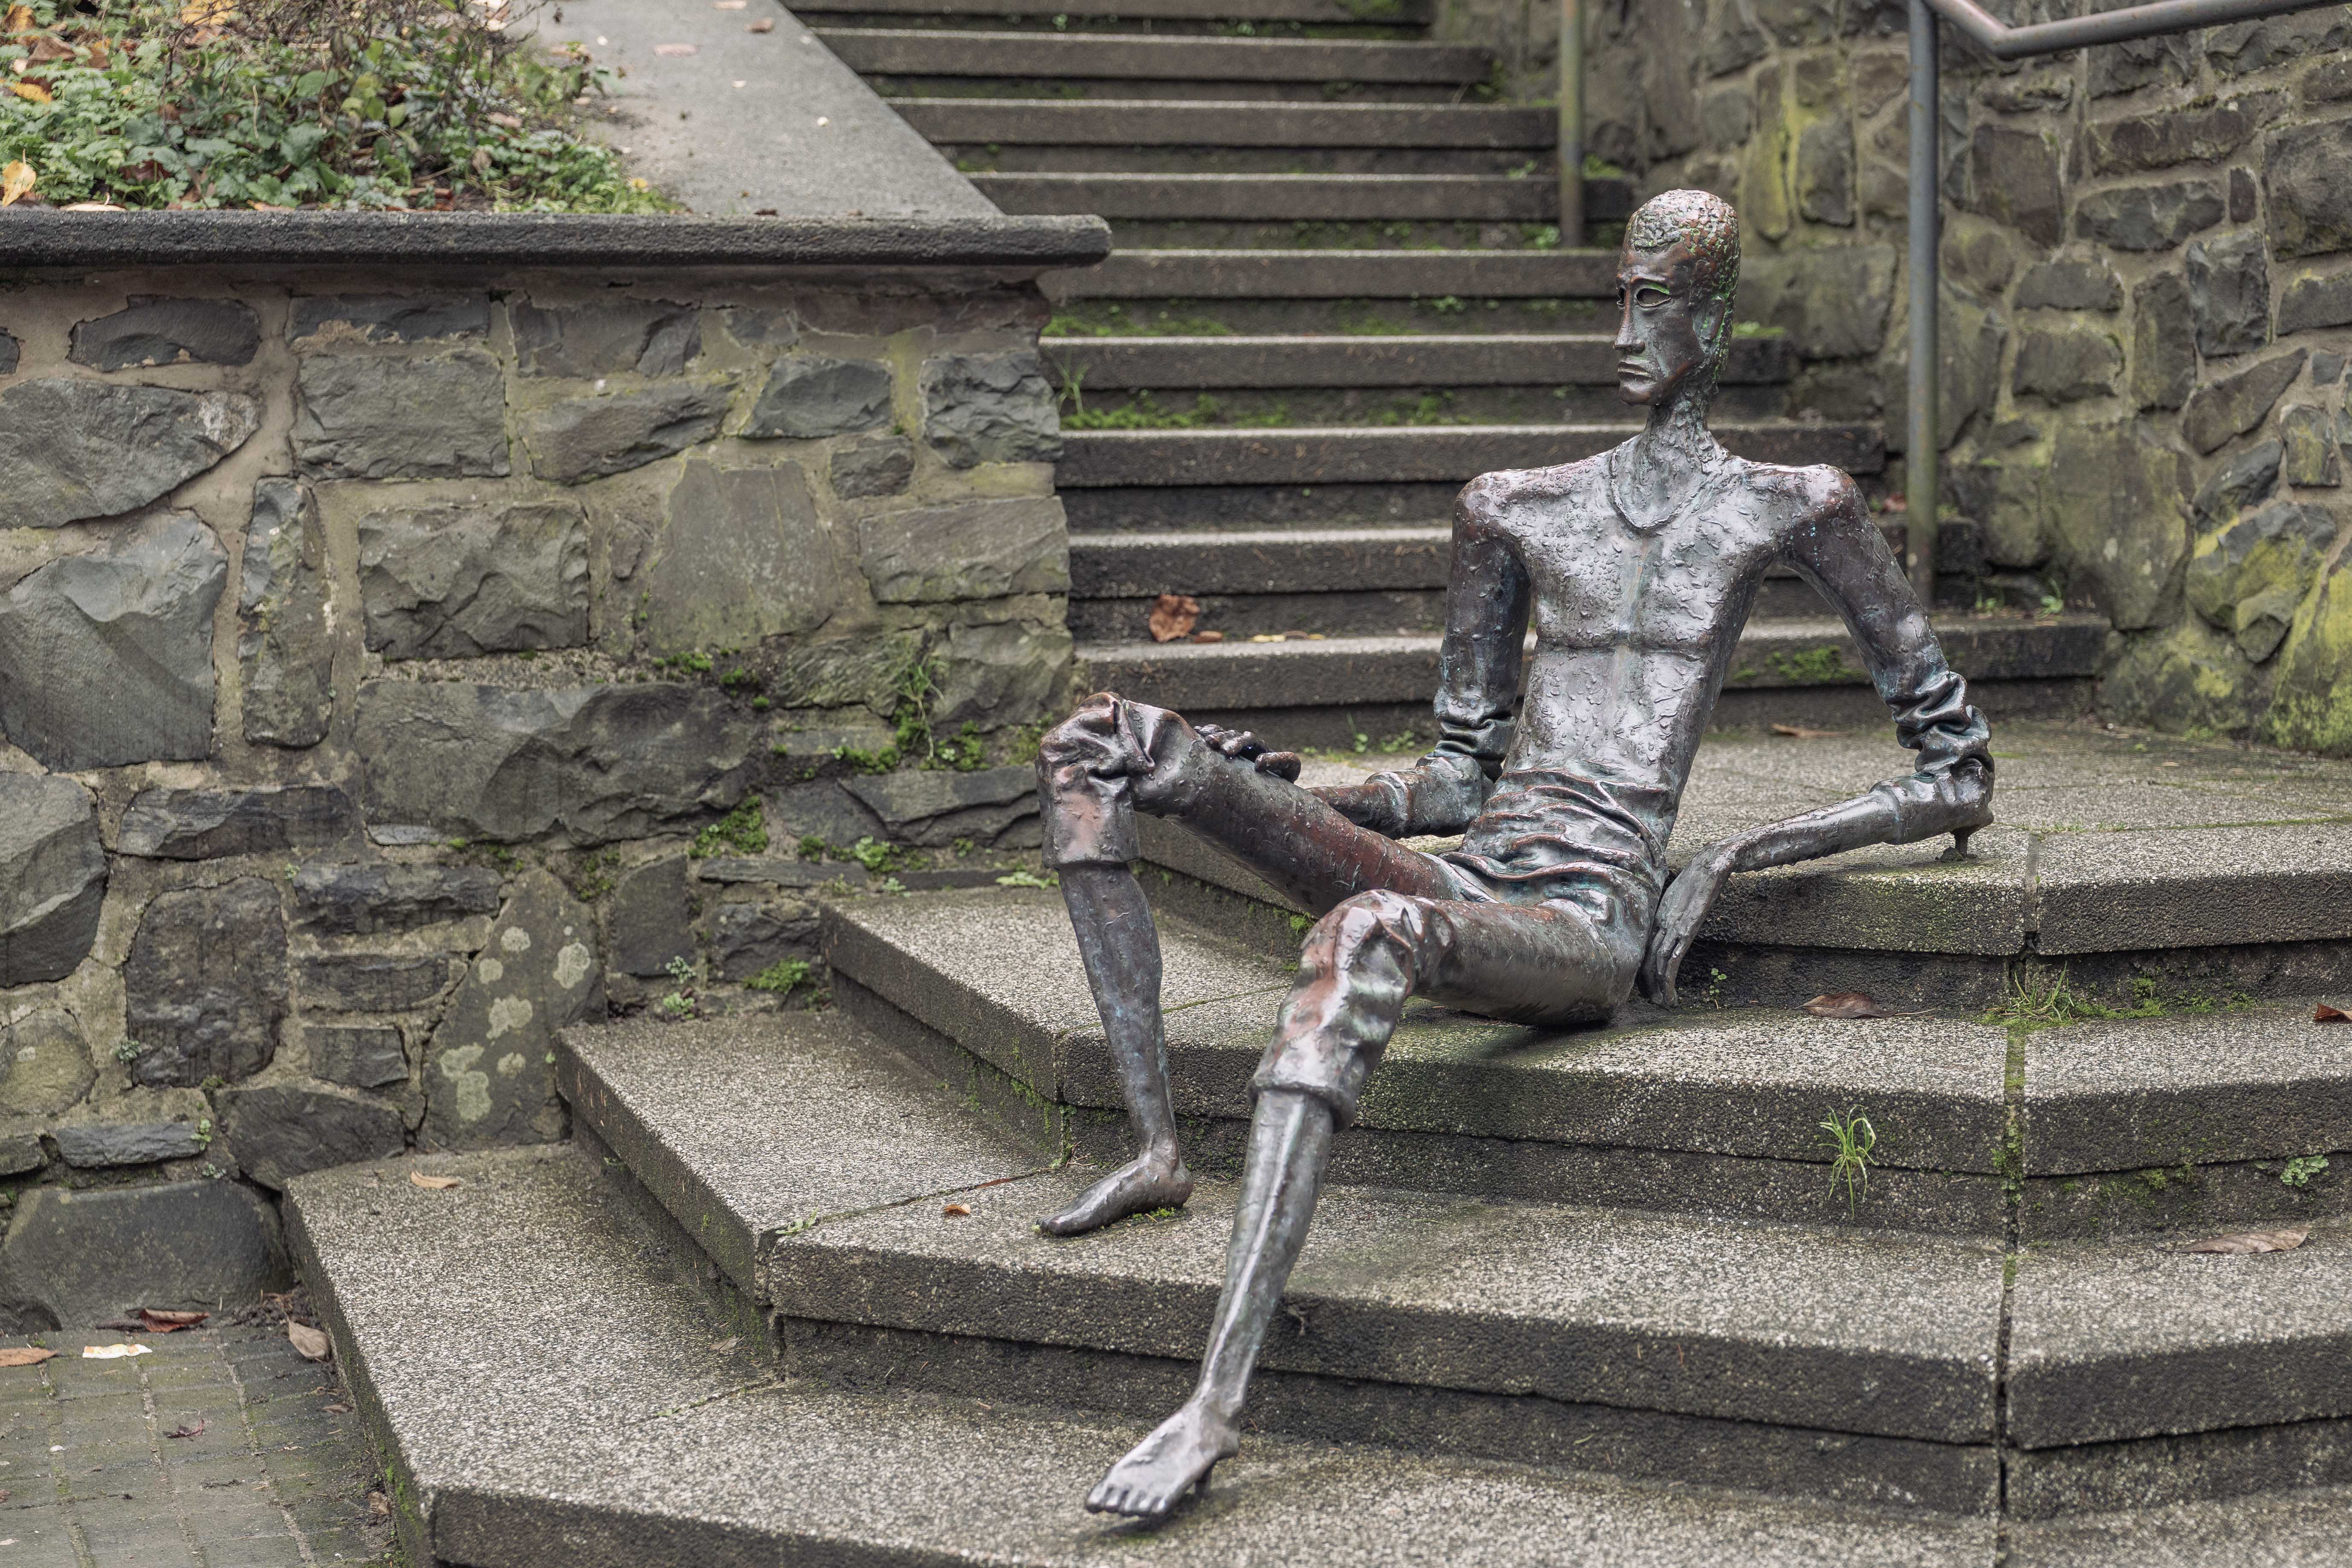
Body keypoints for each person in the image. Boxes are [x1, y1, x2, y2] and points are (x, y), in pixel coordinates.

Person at [1029, 187, 1994, 1518]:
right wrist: (1309, 790)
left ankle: (1212, 1404)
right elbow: (1452, 780)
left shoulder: (1795, 506)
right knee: (1107, 743)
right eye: (1619, 294)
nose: (1623, 327)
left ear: (1712, 319)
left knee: (1364, 936)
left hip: (1585, 914)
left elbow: (1958, 774)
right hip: (1474, 869)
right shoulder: (1512, 508)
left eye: (1651, 301)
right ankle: (1153, 1148)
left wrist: (1737, 855)